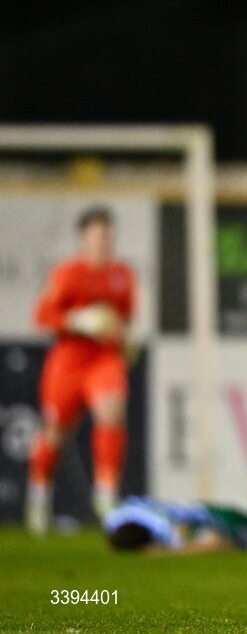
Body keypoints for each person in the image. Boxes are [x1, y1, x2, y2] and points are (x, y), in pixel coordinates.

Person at [26, 206, 135, 534]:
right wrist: (78, 319)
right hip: (69, 360)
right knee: (55, 432)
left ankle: (105, 495)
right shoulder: (67, 273)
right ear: (84, 238)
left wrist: (122, 335)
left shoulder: (122, 275)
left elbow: (124, 317)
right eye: (99, 235)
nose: (105, 242)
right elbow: (42, 316)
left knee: (112, 410)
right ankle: (39, 495)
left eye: (109, 236)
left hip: (104, 358)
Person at [104, 496, 247, 553]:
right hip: (212, 511)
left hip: (223, 522)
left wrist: (168, 552)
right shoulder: (121, 511)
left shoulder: (171, 531)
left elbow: (218, 542)